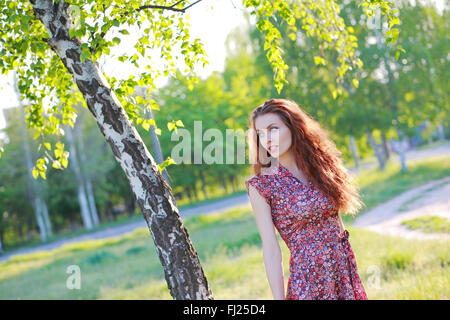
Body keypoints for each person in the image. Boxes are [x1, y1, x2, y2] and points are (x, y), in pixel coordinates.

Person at [245, 99, 368, 300]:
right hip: (309, 281)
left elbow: (337, 223)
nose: (267, 138)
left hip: (342, 274)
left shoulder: (321, 168)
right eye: (260, 134)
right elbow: (271, 249)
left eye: (273, 129)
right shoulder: (262, 185)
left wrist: (348, 275)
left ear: (293, 126)